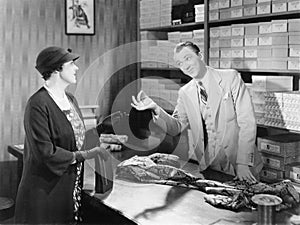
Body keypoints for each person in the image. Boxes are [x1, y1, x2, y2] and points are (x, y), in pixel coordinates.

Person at [14, 46, 125, 224]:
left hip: (68, 188)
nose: (77, 68)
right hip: (44, 193)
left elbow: (75, 140)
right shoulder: (37, 104)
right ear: (57, 69)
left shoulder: (70, 100)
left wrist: (103, 128)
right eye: (71, 63)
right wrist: (84, 155)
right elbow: (46, 153)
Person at [132, 41, 263, 183]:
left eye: (187, 58)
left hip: (241, 164)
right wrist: (156, 109)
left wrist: (243, 163)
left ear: (200, 55)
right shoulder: (185, 92)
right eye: (180, 63)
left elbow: (247, 122)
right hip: (209, 166)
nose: (185, 66)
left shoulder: (230, 78)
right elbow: (177, 127)